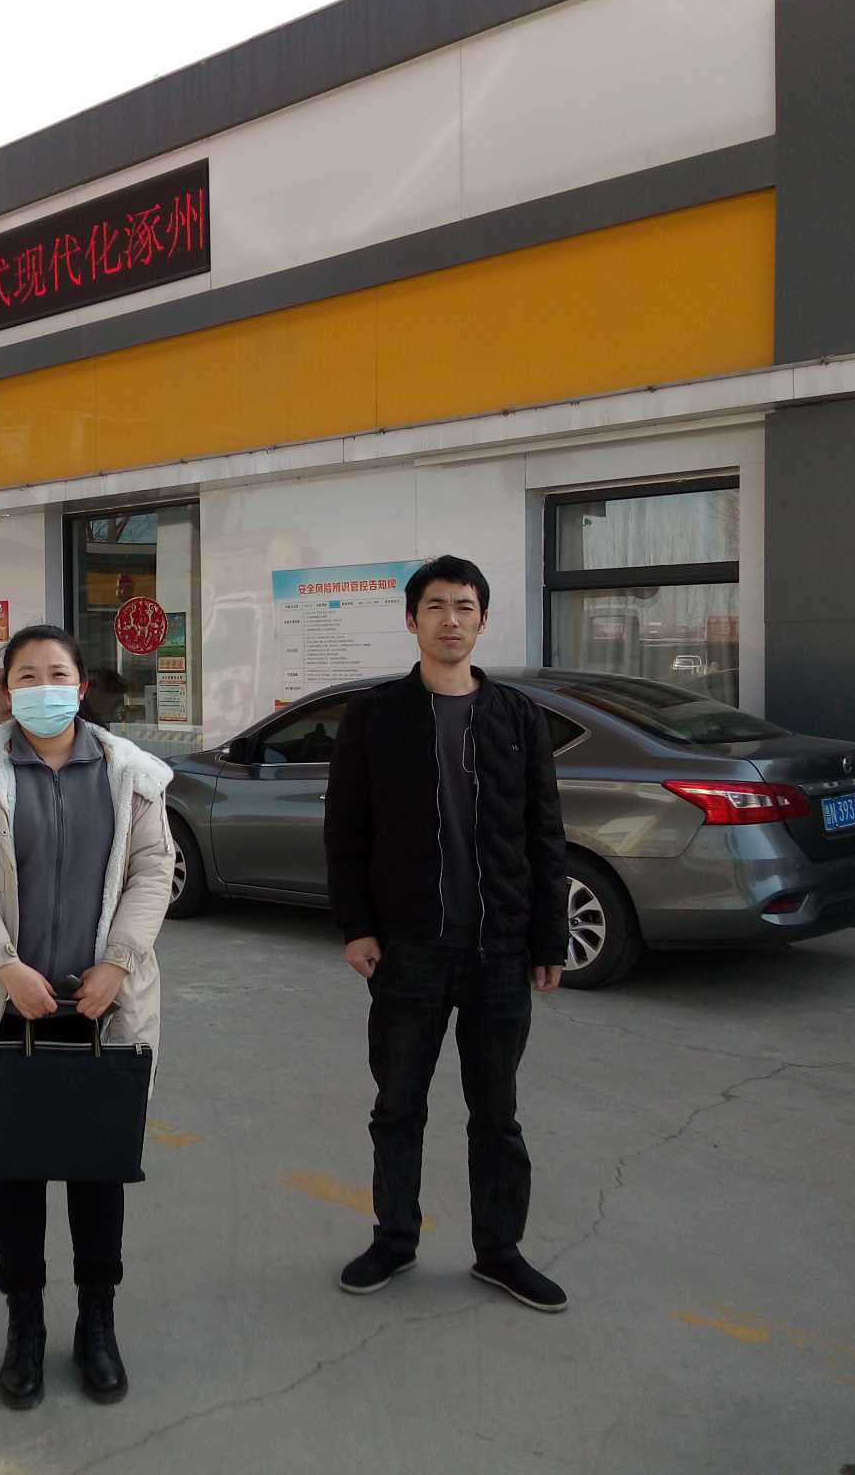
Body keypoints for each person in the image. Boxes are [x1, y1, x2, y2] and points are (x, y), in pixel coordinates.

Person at [0, 624, 175, 1409]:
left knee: (100, 1170)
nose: (44, 687)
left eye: (57, 673)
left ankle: (97, 1324)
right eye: (28, 675)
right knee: (18, 1170)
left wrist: (118, 962)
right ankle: (26, 1326)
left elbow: (153, 868)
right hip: (11, 1003)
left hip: (101, 1004)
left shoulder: (129, 773)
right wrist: (5, 964)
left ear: (82, 685)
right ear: (7, 691)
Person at [322, 556, 570, 1312]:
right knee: (398, 1105)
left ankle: (500, 1252)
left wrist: (549, 938)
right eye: (435, 606)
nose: (450, 619)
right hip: (409, 949)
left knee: (496, 1113)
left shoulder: (518, 718)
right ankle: (394, 1239)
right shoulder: (374, 716)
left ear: (483, 621)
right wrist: (357, 926)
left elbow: (545, 833)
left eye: (464, 606)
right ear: (412, 620)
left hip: (500, 951)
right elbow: (346, 830)